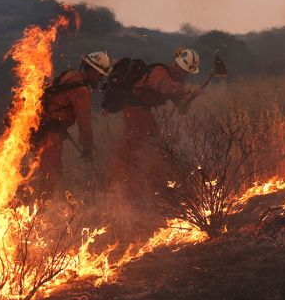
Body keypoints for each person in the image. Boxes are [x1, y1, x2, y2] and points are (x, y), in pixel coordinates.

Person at [109, 48, 203, 187]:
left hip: (144, 110)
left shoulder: (177, 80)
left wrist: (184, 104)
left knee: (150, 142)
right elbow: (166, 87)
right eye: (184, 71)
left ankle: (141, 180)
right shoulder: (160, 72)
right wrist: (188, 89)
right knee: (140, 145)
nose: (185, 75)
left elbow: (178, 101)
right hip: (134, 108)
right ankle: (125, 182)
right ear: (177, 65)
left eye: (188, 73)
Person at [33, 51, 110, 196]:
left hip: (45, 129)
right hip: (51, 134)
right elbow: (84, 122)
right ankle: (42, 208)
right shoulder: (82, 90)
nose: (100, 79)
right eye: (99, 75)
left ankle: (42, 205)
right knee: (52, 172)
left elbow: (58, 103)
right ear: (91, 70)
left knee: (49, 171)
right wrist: (87, 146)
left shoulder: (71, 76)